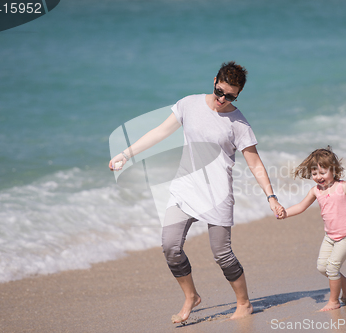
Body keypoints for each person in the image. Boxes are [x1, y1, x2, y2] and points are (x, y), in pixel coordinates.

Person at [109, 61, 284, 323]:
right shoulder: (188, 104)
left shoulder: (238, 123)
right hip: (185, 189)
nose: (222, 99)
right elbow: (160, 133)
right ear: (214, 81)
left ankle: (244, 303)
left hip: (218, 195)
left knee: (222, 254)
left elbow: (255, 163)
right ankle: (191, 296)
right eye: (220, 91)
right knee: (170, 247)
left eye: (230, 96)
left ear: (238, 95)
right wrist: (126, 154)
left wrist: (271, 197)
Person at [276, 147, 346, 311]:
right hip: (330, 236)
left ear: (334, 170)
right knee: (322, 267)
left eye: (322, 172)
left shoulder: (345, 187)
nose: (318, 177)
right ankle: (345, 282)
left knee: (332, 268)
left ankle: (334, 301)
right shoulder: (316, 191)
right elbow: (301, 206)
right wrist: (285, 213)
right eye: (315, 173)